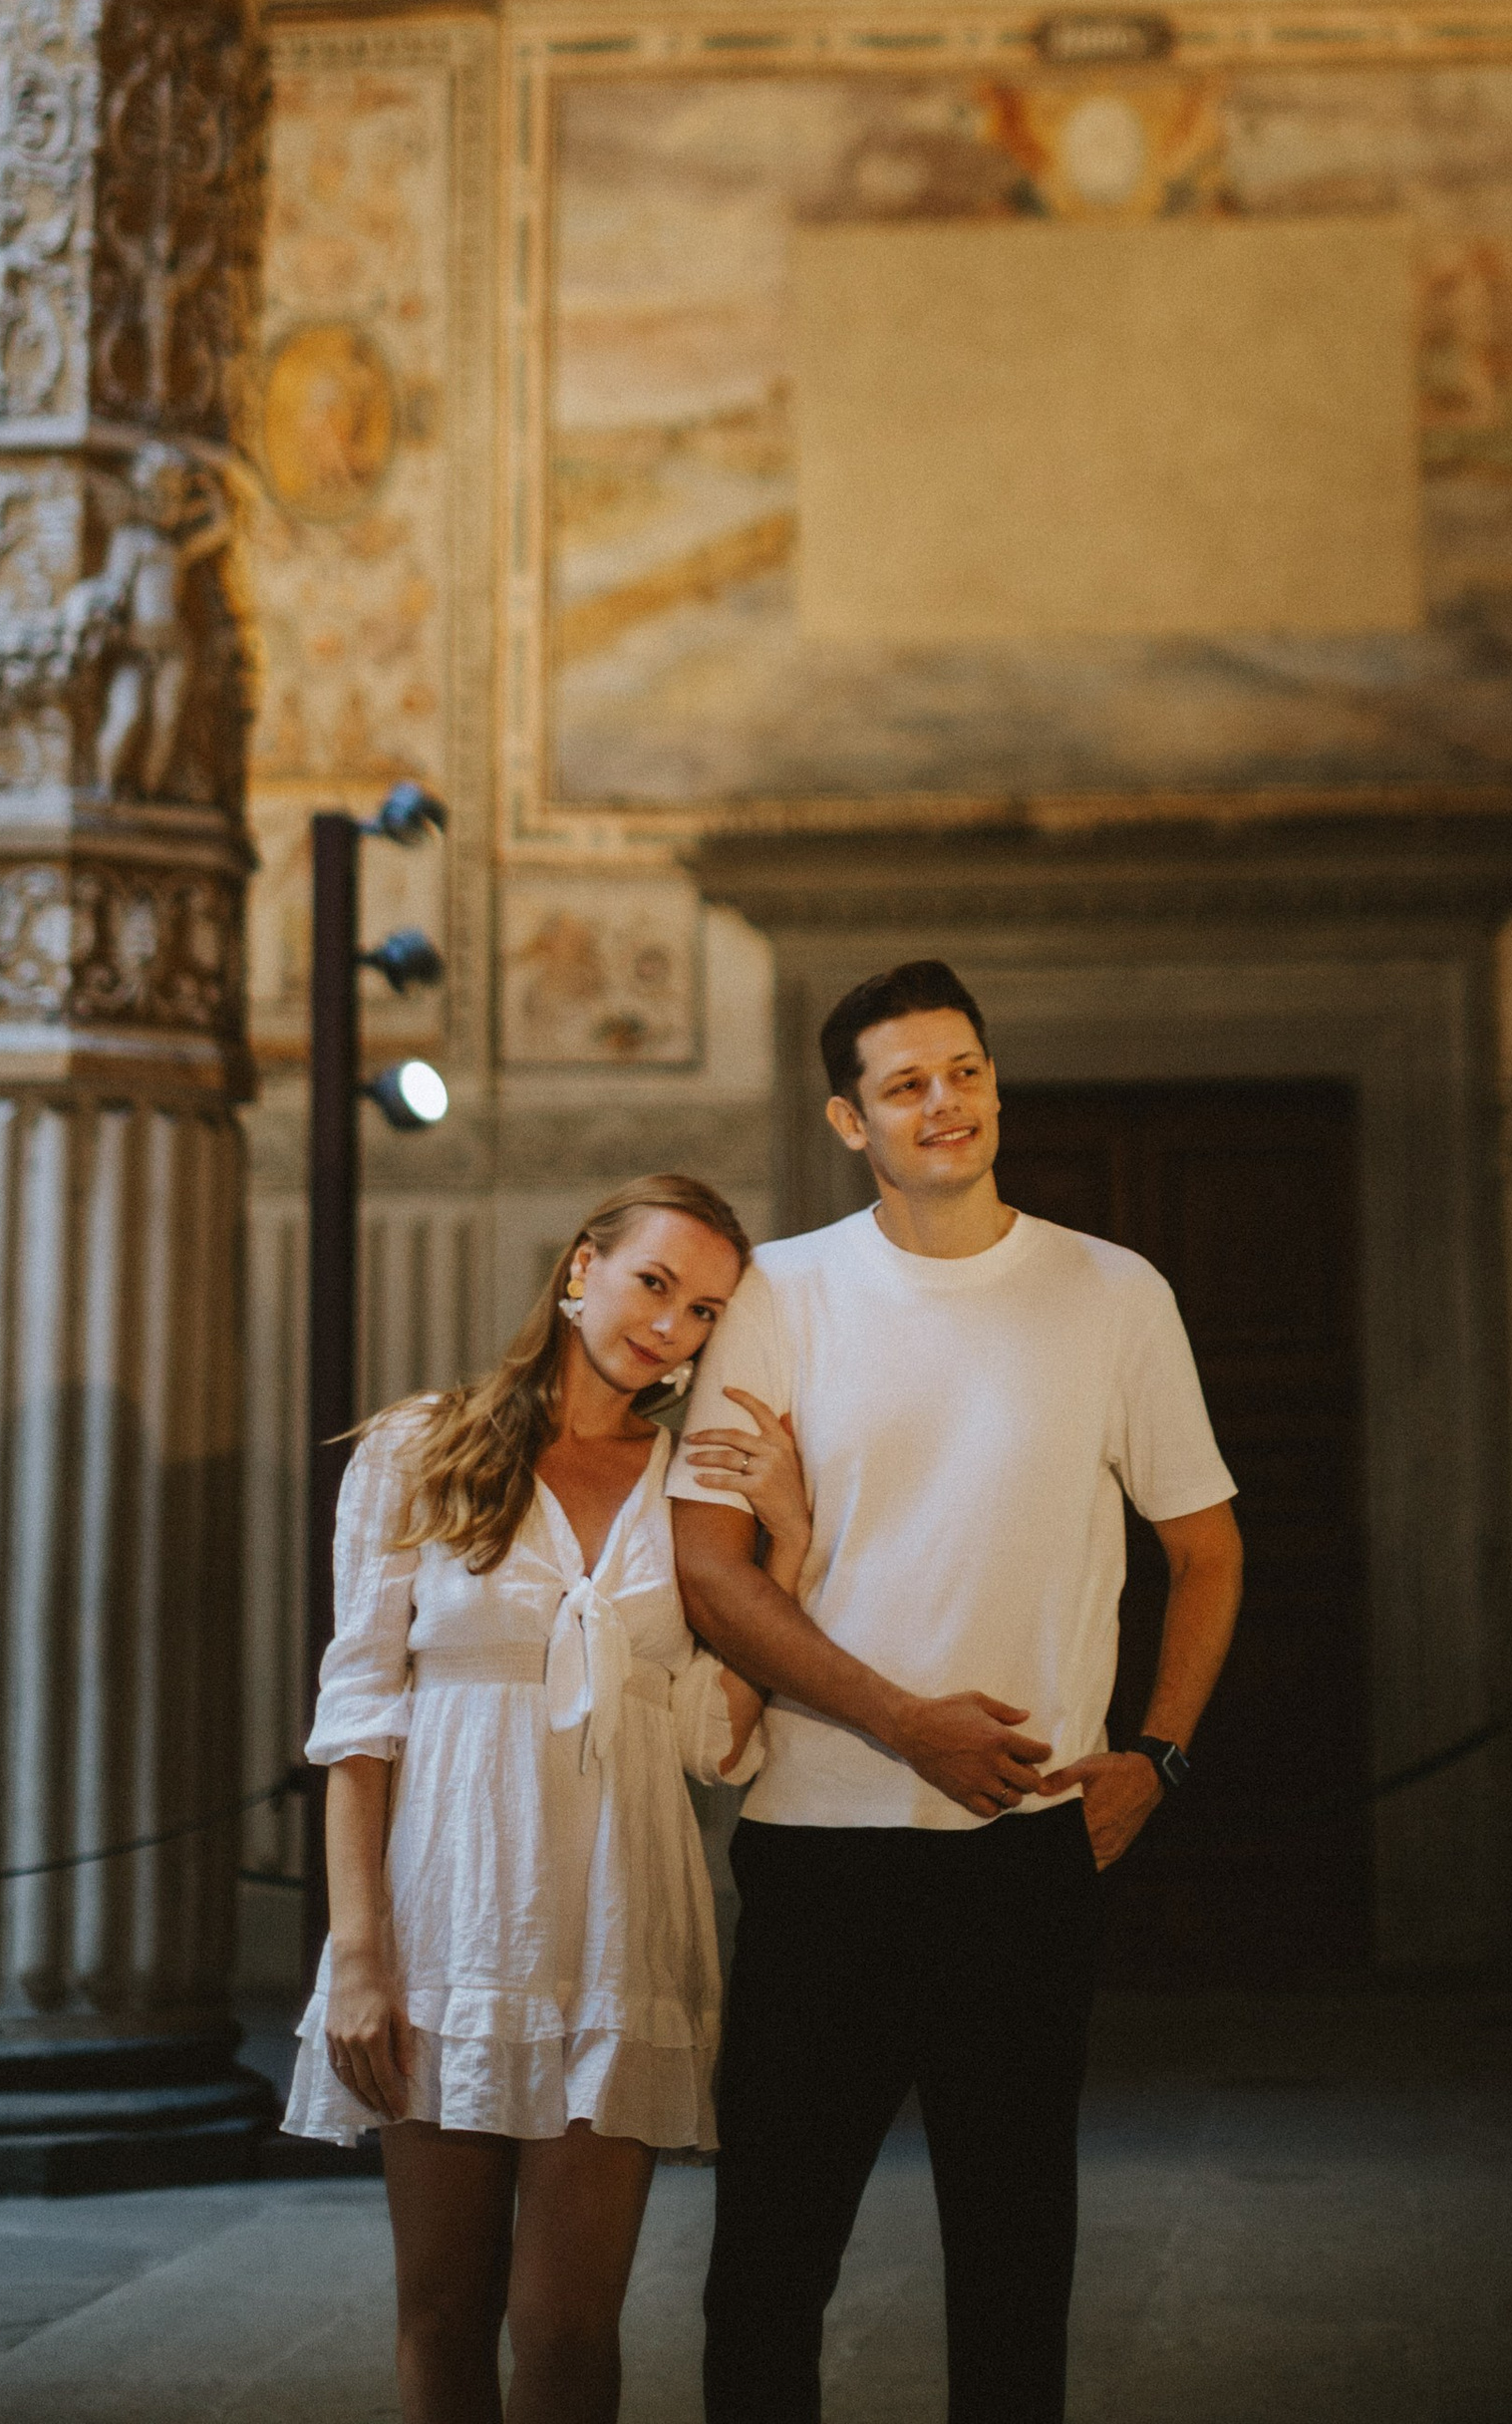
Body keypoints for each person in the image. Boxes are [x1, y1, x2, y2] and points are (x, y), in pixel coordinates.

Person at [671, 959, 1245, 2424]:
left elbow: (1208, 1549)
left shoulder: (1114, 1293)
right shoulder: (785, 1291)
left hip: (1025, 1861)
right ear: (849, 1120)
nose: (949, 1103)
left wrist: (1157, 1757)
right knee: (764, 2274)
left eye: (967, 1071)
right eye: (909, 1083)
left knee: (1014, 2268)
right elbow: (711, 1572)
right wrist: (899, 1720)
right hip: (819, 1853)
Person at [286, 1170, 812, 2424]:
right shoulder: (420, 1446)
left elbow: (709, 1737)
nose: (669, 1326)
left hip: (619, 1929)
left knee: (567, 2328)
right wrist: (360, 1954)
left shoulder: (690, 1484)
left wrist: (784, 1545)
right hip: (450, 1925)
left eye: (702, 1311)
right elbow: (360, 1721)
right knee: (443, 2312)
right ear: (581, 1268)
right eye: (654, 1283)